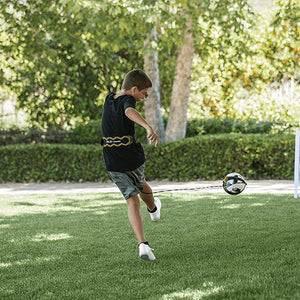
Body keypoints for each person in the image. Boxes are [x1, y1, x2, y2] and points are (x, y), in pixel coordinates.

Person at [101, 69, 161, 261]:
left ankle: (143, 244)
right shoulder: (129, 100)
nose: (145, 96)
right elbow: (129, 111)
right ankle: (153, 209)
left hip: (112, 160)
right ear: (133, 89)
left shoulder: (109, 98)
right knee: (140, 183)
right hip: (130, 157)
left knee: (132, 199)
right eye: (143, 93)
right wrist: (147, 126)